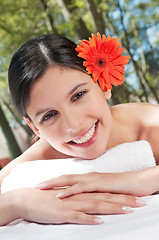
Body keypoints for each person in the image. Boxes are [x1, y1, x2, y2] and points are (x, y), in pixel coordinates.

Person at [0, 33, 159, 226]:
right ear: (35, 128)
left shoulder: (150, 125)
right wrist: (17, 203)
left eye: (79, 95)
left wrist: (136, 179)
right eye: (49, 115)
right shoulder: (42, 155)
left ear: (103, 84)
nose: (73, 125)